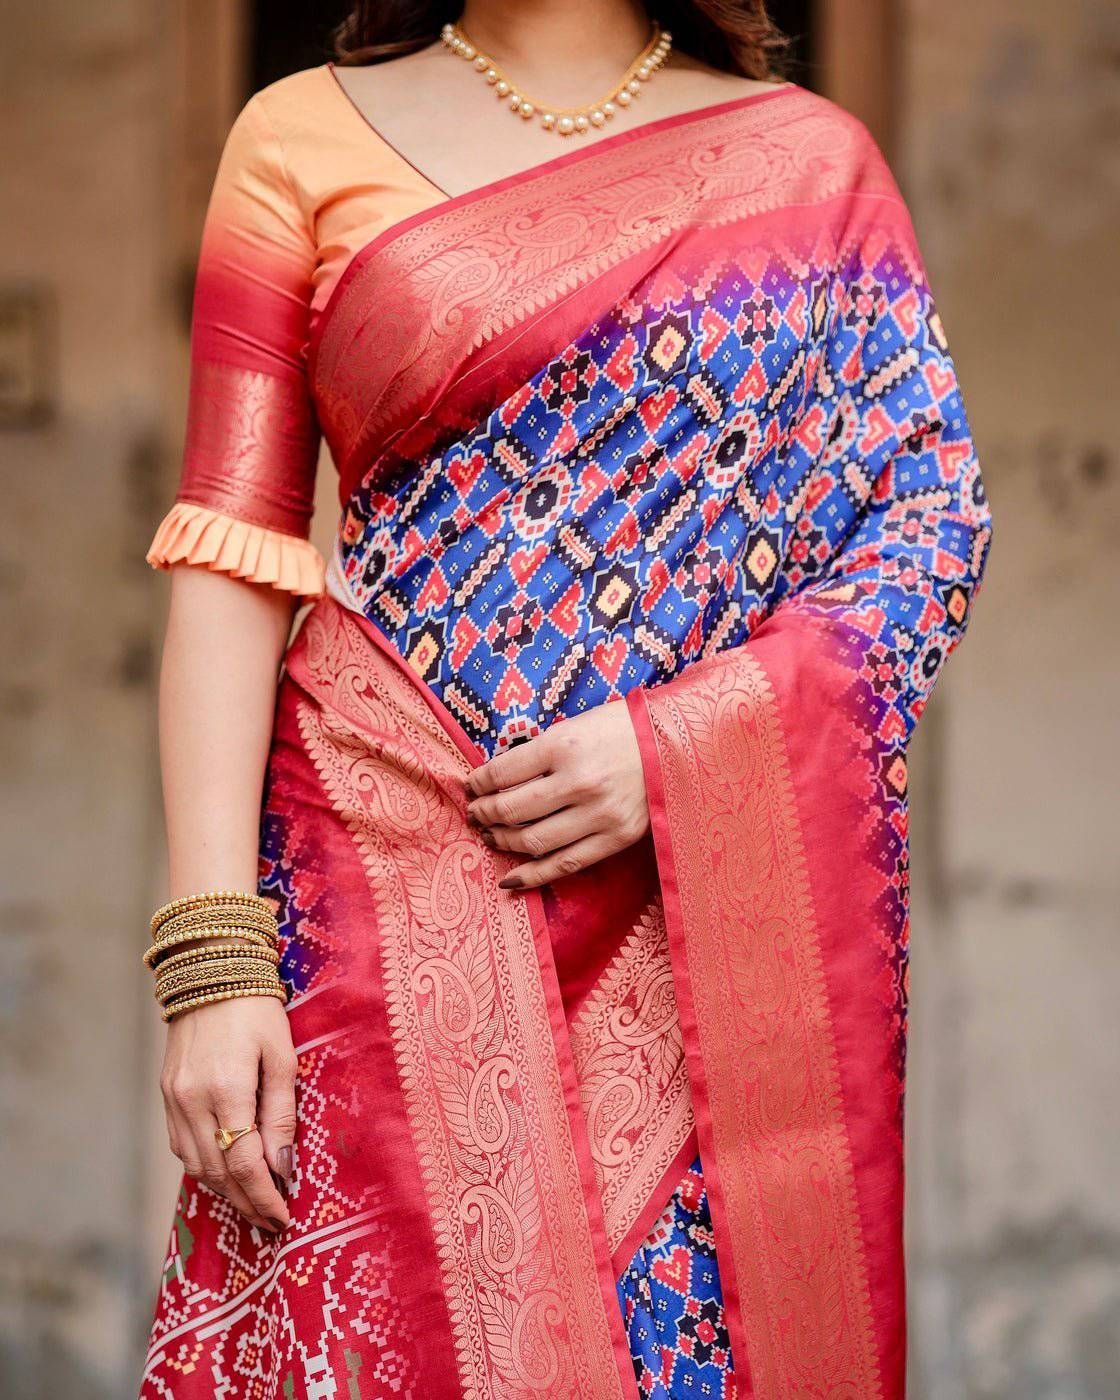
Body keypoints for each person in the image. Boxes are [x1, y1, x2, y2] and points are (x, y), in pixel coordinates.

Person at [139, 2, 992, 1396]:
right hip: (374, 893)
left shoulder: (809, 166)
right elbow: (232, 554)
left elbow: (926, 528)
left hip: (692, 926)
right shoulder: (296, 136)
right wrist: (215, 966)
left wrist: (678, 752)